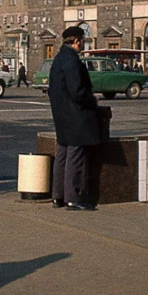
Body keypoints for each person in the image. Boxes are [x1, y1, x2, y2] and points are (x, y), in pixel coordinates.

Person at [47, 26, 100, 211]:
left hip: (61, 115)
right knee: (75, 157)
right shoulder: (72, 60)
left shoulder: (58, 59)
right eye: (82, 41)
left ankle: (58, 196)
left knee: (62, 154)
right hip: (75, 115)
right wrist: (92, 99)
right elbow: (77, 91)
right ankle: (72, 198)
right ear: (77, 41)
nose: (82, 45)